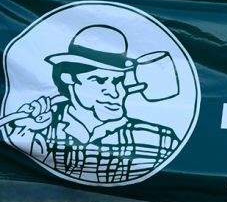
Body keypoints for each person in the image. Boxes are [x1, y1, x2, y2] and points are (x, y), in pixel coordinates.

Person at [5, 25, 180, 184]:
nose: (114, 92)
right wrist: (25, 134)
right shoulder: (34, 131)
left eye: (118, 80)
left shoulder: (161, 140)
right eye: (99, 80)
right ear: (68, 78)